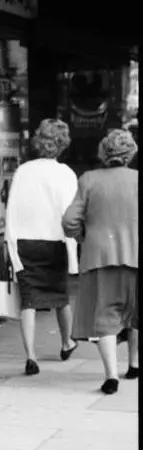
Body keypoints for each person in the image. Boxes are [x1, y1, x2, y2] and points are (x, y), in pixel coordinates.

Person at [62, 128, 138, 394]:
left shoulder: (89, 179)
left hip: (100, 257)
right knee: (135, 313)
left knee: (106, 316)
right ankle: (135, 364)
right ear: (131, 153)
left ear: (104, 153)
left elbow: (69, 220)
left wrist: (83, 235)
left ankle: (111, 376)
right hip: (136, 257)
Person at [5, 118, 80, 375]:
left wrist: (11, 245)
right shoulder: (66, 174)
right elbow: (70, 215)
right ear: (61, 145)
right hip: (54, 242)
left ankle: (31, 356)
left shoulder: (23, 171)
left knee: (28, 301)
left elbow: (11, 209)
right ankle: (67, 341)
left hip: (25, 242)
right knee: (60, 296)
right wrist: (73, 255)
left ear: (39, 141)